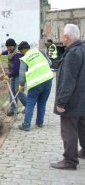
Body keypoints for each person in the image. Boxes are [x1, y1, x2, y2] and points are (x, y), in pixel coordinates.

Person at [50, 24, 85, 170]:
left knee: (69, 130)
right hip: (82, 100)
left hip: (72, 101)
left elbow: (68, 81)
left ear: (66, 37)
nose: (61, 39)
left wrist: (61, 103)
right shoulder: (83, 49)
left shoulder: (73, 54)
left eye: (62, 36)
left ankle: (70, 161)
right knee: (83, 126)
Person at [17, 41, 54, 131]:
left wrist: (21, 86)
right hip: (48, 79)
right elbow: (50, 63)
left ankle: (26, 125)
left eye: (21, 52)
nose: (21, 54)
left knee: (30, 103)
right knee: (42, 102)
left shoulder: (24, 59)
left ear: (23, 50)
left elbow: (21, 76)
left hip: (35, 83)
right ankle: (39, 123)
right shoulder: (39, 52)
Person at [0, 38, 26, 116]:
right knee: (11, 92)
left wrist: (8, 75)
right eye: (7, 47)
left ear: (14, 46)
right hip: (13, 74)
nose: (8, 48)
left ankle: (28, 106)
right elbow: (8, 52)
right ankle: (12, 110)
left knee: (19, 92)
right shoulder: (11, 50)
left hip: (19, 74)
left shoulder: (17, 54)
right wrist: (1, 53)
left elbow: (16, 69)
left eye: (9, 47)